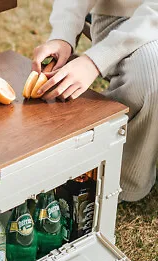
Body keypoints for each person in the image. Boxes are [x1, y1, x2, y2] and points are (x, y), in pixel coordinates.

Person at [33, 0, 158, 202]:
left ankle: (124, 178)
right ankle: (116, 180)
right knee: (151, 72)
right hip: (119, 18)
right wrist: (63, 35)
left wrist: (93, 62)